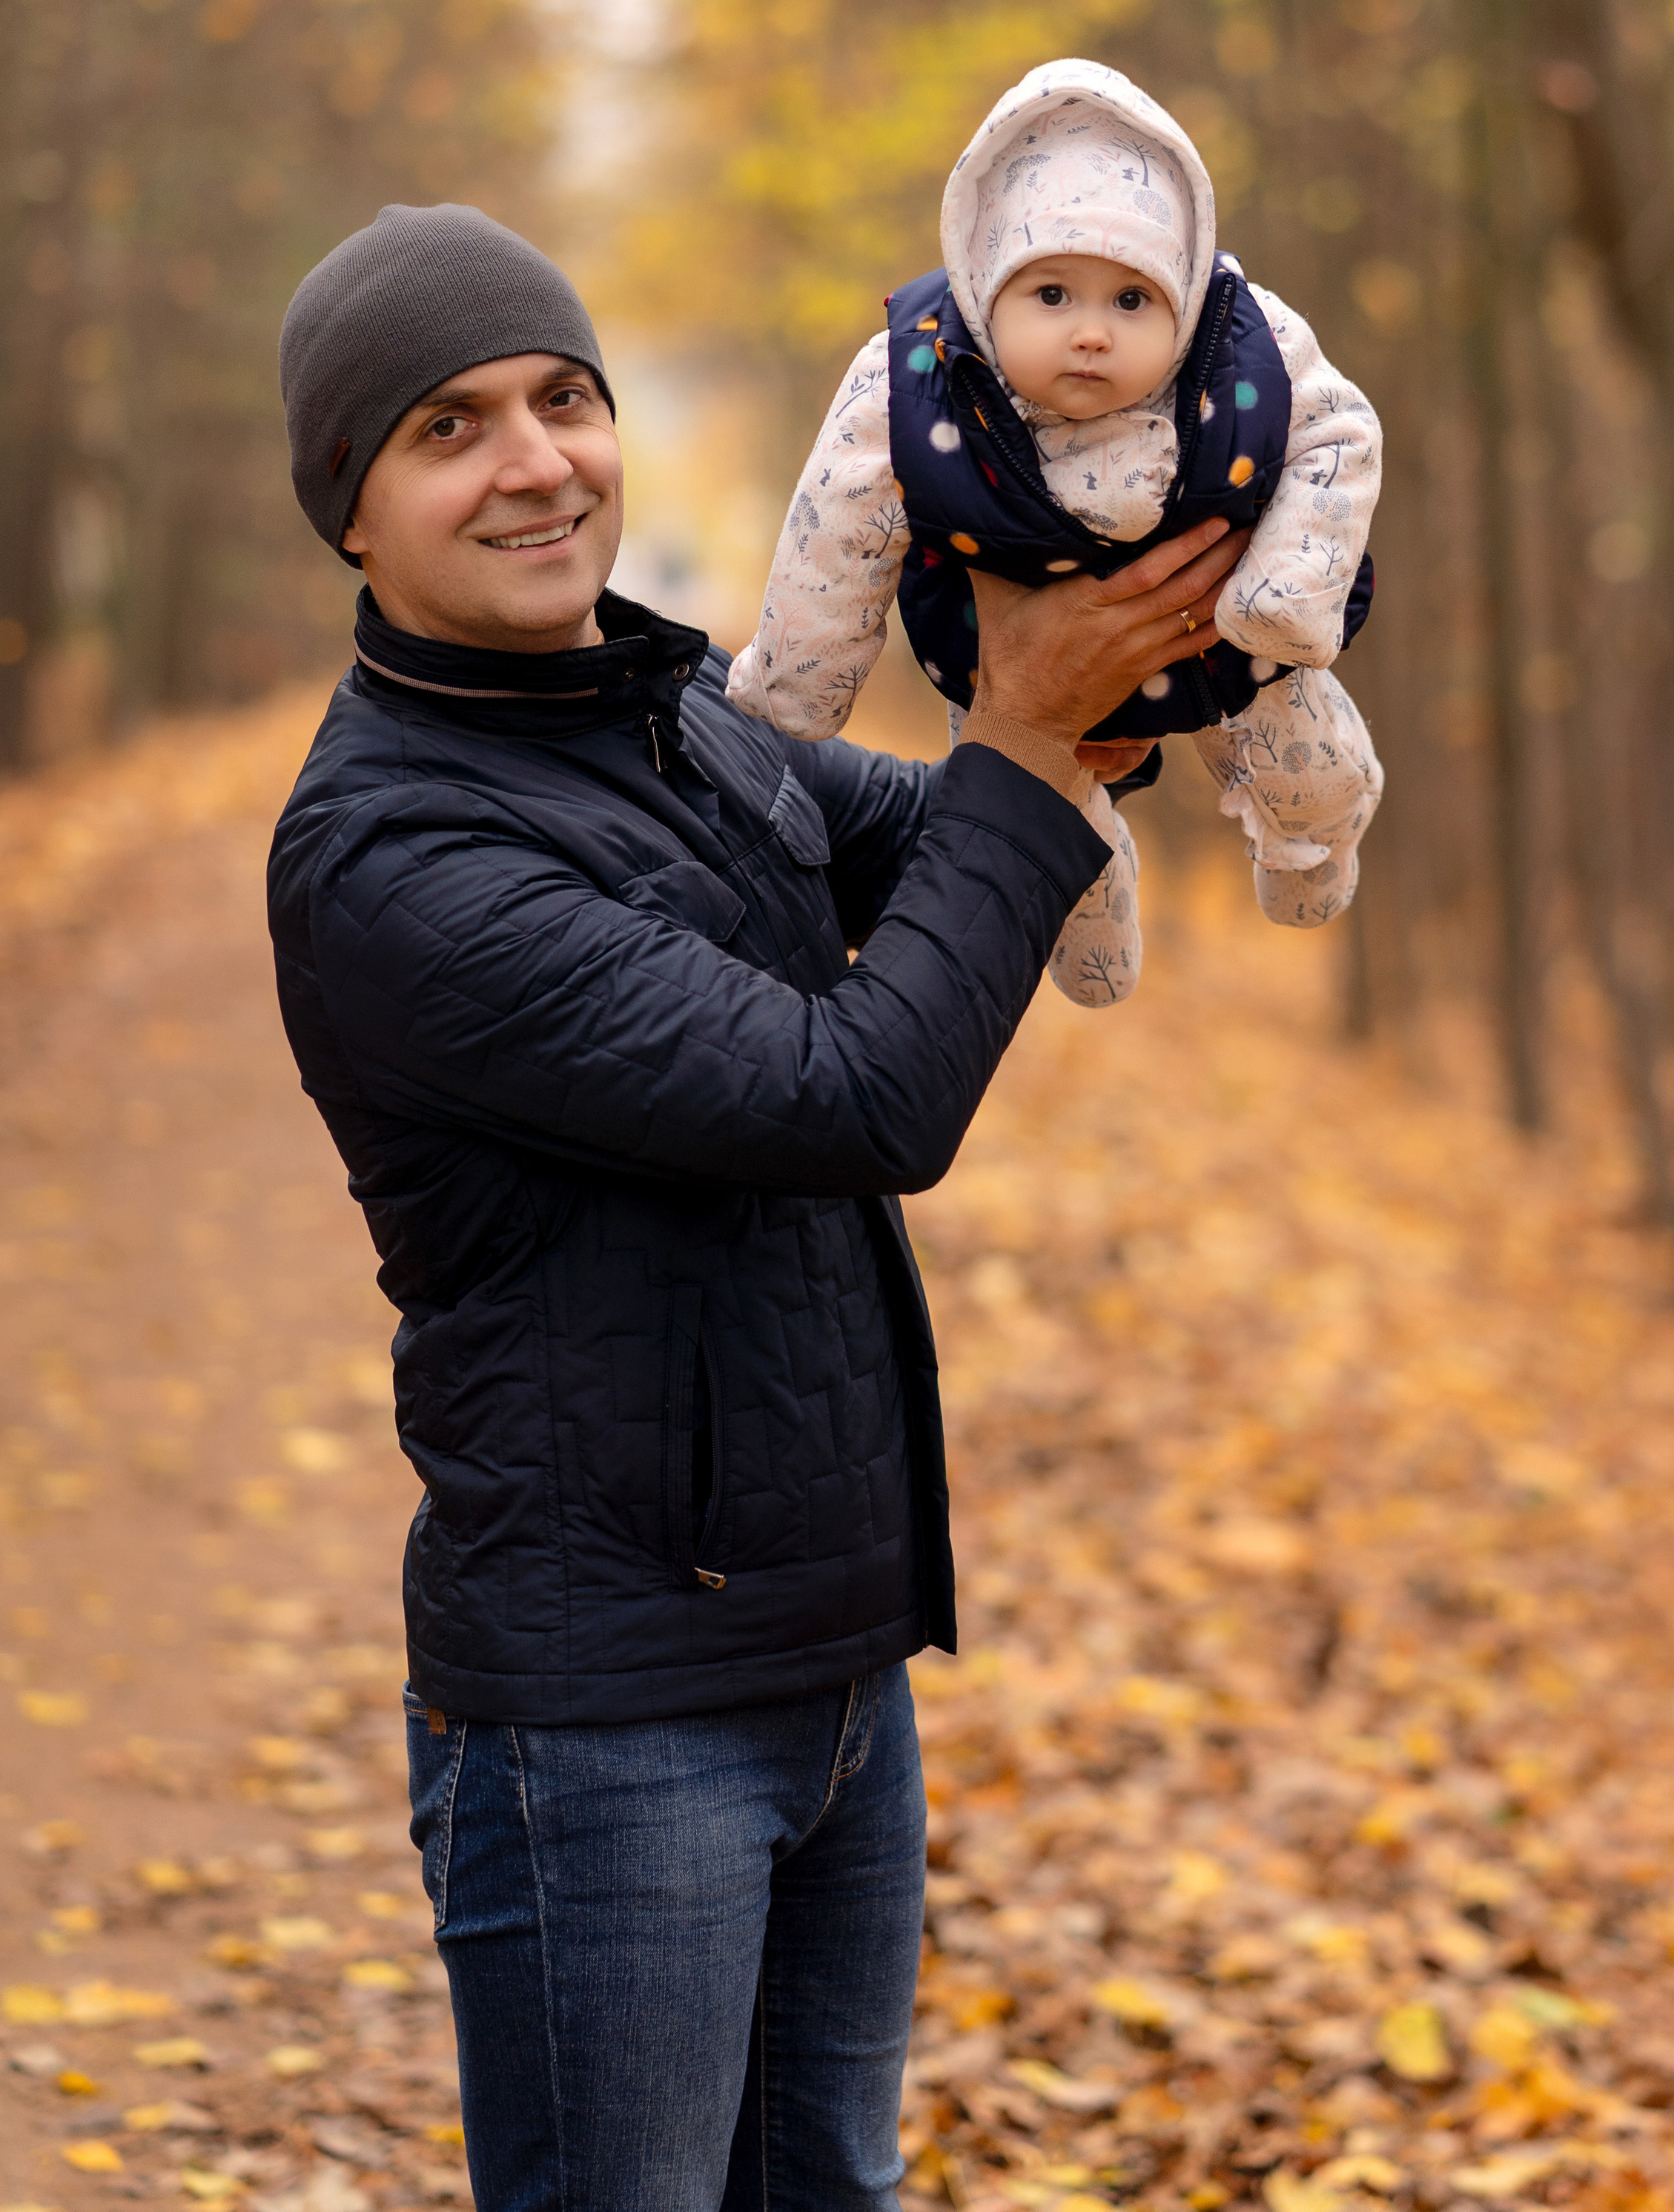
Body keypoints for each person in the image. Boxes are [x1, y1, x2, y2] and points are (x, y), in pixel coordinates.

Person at [265, 199, 1245, 2212]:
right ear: (349, 513)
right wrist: (1028, 740)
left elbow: (935, 835)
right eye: (450, 429)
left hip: (829, 1666)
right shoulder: (392, 855)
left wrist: (1121, 595)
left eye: (564, 399)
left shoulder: (675, 712)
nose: (537, 462)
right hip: (610, 1720)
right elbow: (859, 1092)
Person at [729, 59, 1385, 981]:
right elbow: (836, 527)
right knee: (1028, 813)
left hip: (1233, 637)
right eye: (1051, 295)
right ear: (982, 288)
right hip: (1006, 666)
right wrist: (801, 678)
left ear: (1185, 298)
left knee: (1321, 771)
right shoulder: (912, 380)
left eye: (1131, 299)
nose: (1091, 332)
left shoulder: (1251, 345)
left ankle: (1313, 846)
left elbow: (1341, 435)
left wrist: (1290, 591)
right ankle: (1085, 929)